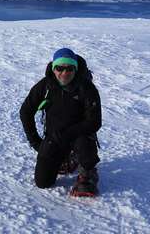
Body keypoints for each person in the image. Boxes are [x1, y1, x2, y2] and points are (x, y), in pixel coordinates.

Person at [19, 48, 102, 196]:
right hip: (54, 137)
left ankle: (87, 173)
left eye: (70, 68)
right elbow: (26, 111)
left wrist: (68, 133)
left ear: (75, 69)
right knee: (43, 182)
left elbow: (94, 122)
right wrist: (35, 142)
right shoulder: (46, 86)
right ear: (53, 68)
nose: (64, 73)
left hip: (79, 136)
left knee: (84, 144)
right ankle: (65, 158)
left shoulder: (86, 88)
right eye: (59, 68)